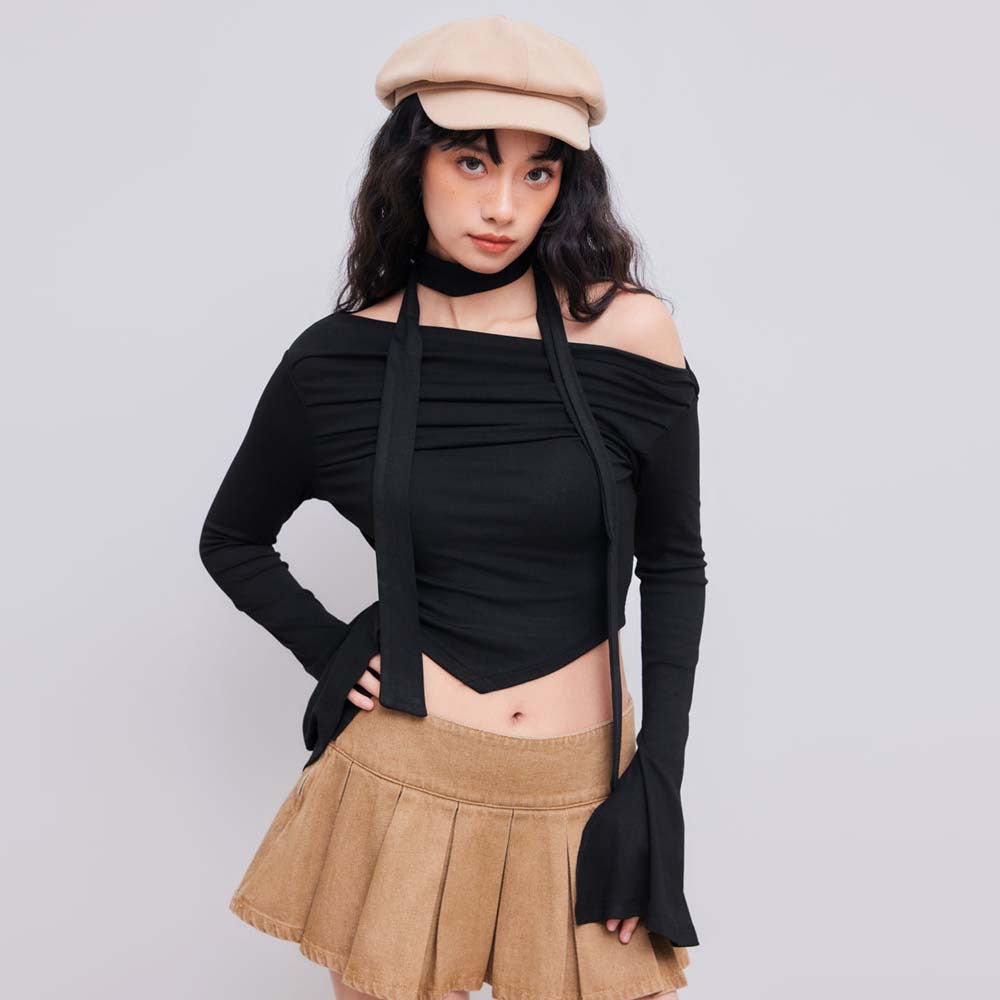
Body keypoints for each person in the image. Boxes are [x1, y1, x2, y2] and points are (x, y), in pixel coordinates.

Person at [199, 15, 707, 1000]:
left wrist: (657, 787)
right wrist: (330, 647)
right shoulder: (337, 360)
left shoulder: (629, 333)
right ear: (413, 162)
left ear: (568, 185)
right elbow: (233, 539)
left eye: (537, 172)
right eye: (473, 161)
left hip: (582, 783)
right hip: (403, 776)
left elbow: (675, 564)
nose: (503, 206)